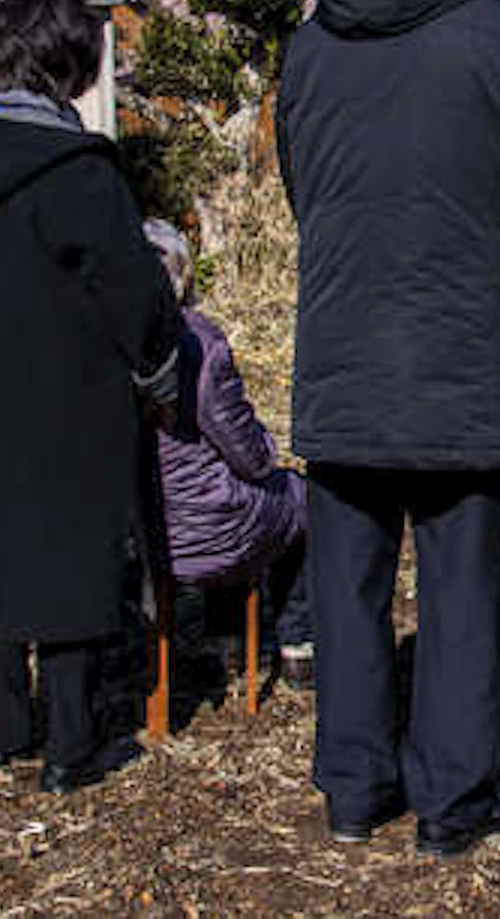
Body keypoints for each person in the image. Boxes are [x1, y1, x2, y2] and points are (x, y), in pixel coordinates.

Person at [276, 0, 500, 860]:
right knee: (461, 589)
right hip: (463, 347)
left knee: (347, 586)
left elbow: (304, 187)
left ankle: (352, 791)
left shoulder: (310, 45)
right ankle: (454, 803)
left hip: (344, 342)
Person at [0, 0, 179, 793]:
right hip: (70, 391)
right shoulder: (77, 169)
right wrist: (158, 366)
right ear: (72, 63)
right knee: (67, 557)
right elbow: (132, 293)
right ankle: (71, 747)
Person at [141, 218, 315, 688]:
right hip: (209, 530)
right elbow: (251, 457)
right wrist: (271, 453)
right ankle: (298, 644)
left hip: (138, 534)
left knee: (241, 496)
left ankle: (226, 638)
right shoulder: (199, 342)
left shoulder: (99, 344)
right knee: (301, 500)